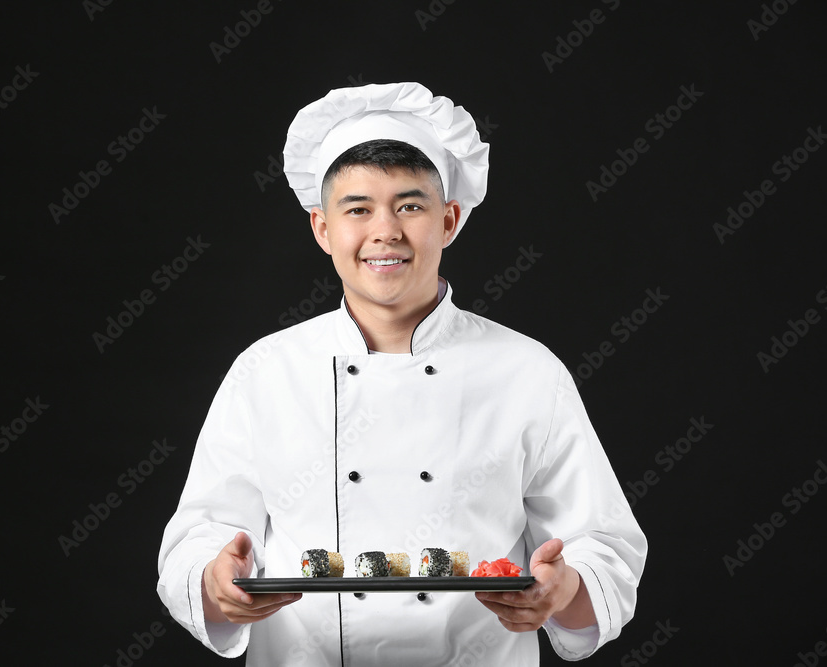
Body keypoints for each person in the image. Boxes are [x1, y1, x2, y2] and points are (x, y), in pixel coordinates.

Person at [157, 82, 647, 666]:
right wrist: (216, 582)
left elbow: (605, 550)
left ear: (449, 220)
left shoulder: (527, 372)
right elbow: (197, 540)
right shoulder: (264, 371)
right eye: (357, 208)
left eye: (410, 206)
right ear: (322, 229)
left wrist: (562, 591)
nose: (385, 231)